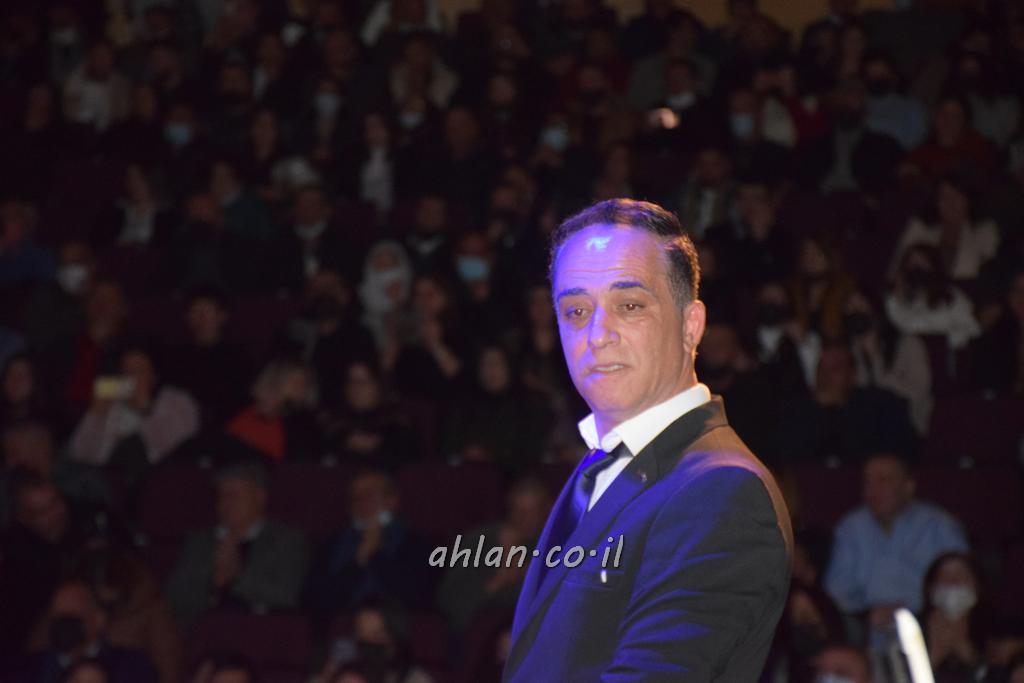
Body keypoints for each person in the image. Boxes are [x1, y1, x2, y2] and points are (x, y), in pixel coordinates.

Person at [504, 199, 792, 682]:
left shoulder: (721, 493)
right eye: (576, 310)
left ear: (690, 325)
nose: (597, 334)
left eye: (630, 306)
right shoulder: (603, 465)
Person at [824, 452, 969, 621]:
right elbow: (837, 590)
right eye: (868, 482)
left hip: (928, 620)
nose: (873, 490)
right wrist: (868, 613)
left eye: (884, 481)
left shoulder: (939, 526)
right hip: (867, 623)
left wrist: (912, 613)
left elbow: (963, 587)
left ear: (908, 487)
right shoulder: (851, 528)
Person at [164, 461, 309, 628]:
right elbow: (173, 596)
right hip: (201, 631)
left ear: (260, 497)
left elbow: (287, 597)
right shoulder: (200, 541)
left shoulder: (285, 540)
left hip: (258, 631)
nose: (225, 504)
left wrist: (236, 577)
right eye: (221, 496)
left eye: (234, 496)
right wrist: (211, 583)